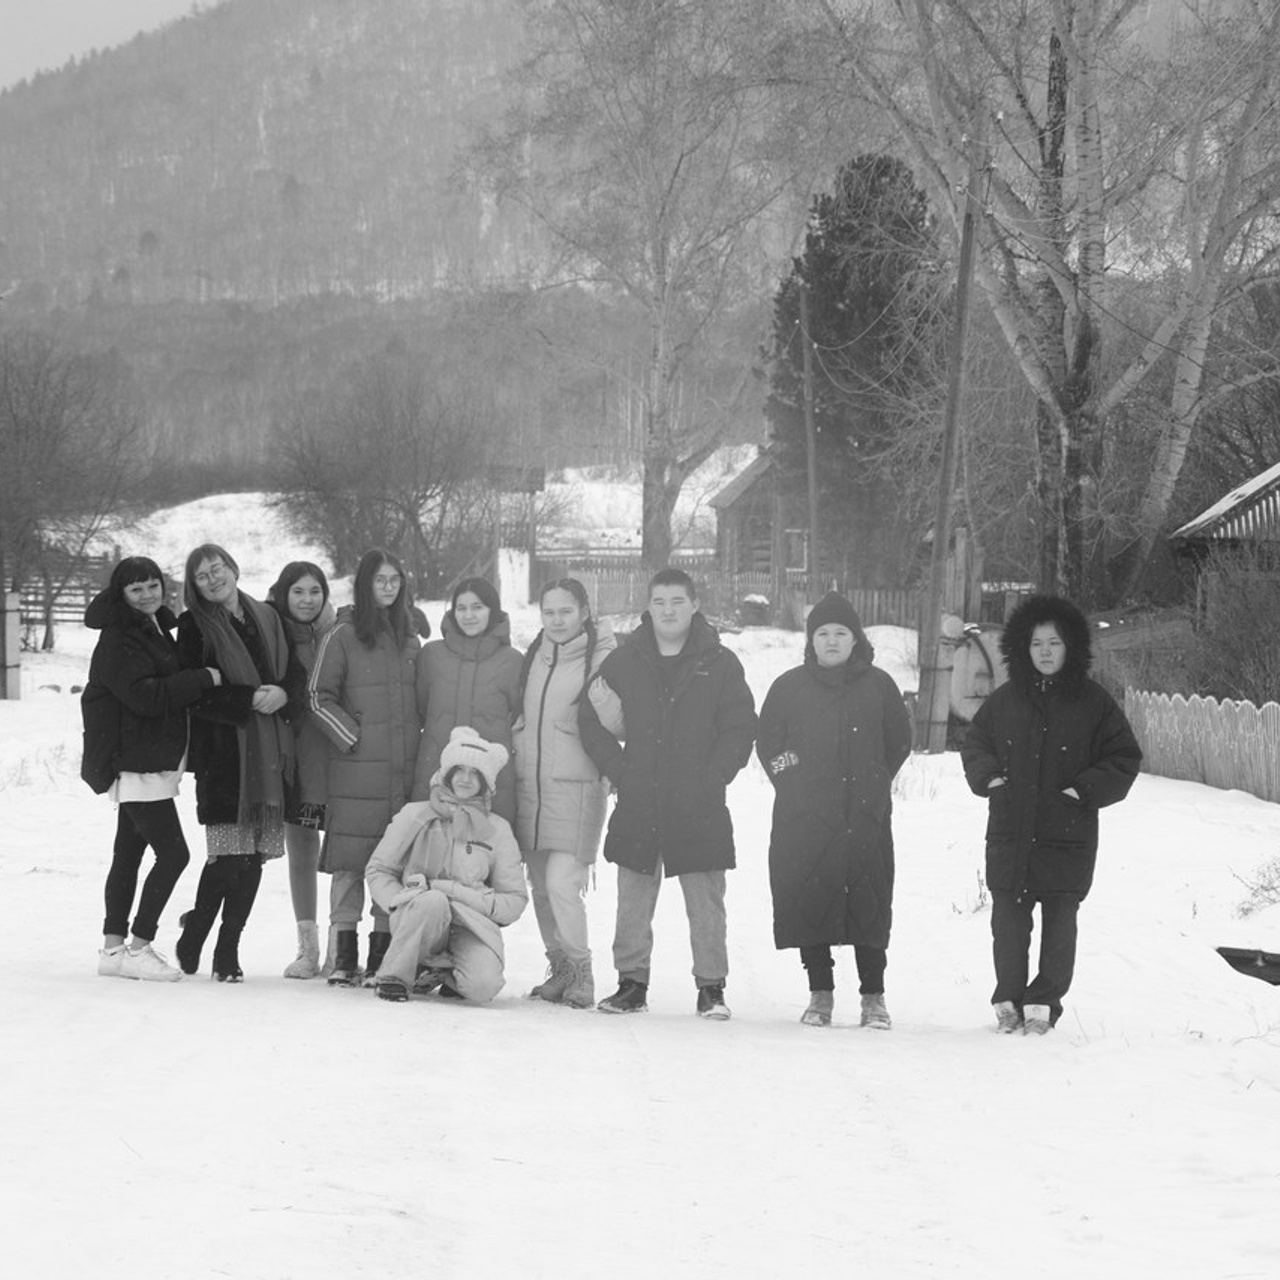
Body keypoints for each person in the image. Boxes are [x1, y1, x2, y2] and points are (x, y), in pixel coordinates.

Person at [579, 568, 757, 1019]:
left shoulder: (718, 662)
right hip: (640, 797)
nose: (668, 610)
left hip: (698, 801)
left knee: (705, 902)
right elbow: (589, 716)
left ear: (694, 605)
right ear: (649, 607)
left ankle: (711, 987)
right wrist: (618, 768)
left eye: (677, 601)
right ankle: (631, 983)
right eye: (659, 602)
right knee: (633, 899)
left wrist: (715, 775)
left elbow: (740, 726)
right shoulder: (627, 659)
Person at [961, 594, 1142, 1035]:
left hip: (1067, 833)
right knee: (1008, 922)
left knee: (1060, 922)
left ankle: (1043, 1004)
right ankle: (1009, 1000)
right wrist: (990, 781)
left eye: (1054, 643)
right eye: (1037, 643)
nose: (1045, 651)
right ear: (1023, 648)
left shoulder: (1093, 703)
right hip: (1011, 830)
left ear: (1071, 648)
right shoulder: (1005, 701)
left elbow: (1124, 756)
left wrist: (1082, 789)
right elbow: (975, 744)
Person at [755, 592, 912, 1029]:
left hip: (865, 818)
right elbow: (769, 747)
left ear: (855, 638)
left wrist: (875, 779)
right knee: (810, 899)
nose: (831, 640)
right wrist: (794, 777)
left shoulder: (879, 685)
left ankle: (873, 997)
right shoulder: (788, 687)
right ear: (811, 639)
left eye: (841, 632)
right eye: (822, 633)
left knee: (870, 900)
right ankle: (819, 995)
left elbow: (898, 742)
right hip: (803, 820)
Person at [81, 556, 223, 982]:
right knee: (174, 854)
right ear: (120, 594)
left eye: (153, 585)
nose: (147, 594)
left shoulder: (156, 626)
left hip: (148, 760)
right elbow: (144, 696)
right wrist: (203, 678)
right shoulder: (120, 637)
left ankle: (112, 950)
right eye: (136, 588)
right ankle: (140, 946)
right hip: (137, 761)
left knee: (129, 852)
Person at [175, 545, 298, 982]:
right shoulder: (193, 627)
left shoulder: (267, 616)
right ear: (195, 586)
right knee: (228, 858)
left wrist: (283, 693)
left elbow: (293, 672)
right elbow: (193, 692)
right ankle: (196, 935)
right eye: (202, 575)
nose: (213, 578)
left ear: (233, 568)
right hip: (224, 757)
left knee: (253, 860)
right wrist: (247, 700)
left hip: (268, 759)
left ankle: (227, 948)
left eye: (218, 568)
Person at [310, 548, 421, 987]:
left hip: (401, 769)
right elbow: (319, 696)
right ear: (365, 584)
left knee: (389, 860)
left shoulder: (411, 639)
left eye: (395, 579)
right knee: (350, 862)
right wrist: (351, 736)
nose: (389, 587)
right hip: (355, 770)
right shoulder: (342, 635)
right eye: (381, 579)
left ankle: (380, 952)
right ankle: (343, 954)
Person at [366, 727, 528, 1003]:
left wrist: (466, 897)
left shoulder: (497, 829)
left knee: (484, 986)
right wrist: (399, 901)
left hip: (471, 924)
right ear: (447, 773)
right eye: (459, 770)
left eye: (474, 773)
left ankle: (442, 972)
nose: (465, 779)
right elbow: (378, 869)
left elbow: (514, 899)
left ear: (485, 782)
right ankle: (395, 976)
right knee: (433, 902)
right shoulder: (414, 815)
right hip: (420, 917)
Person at [512, 578, 616, 1008]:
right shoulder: (533, 656)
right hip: (530, 787)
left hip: (577, 789)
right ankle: (560, 970)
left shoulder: (603, 658)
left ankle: (582, 970)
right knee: (539, 885)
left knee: (561, 884)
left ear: (584, 612)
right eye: (549, 613)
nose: (557, 621)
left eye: (565, 612)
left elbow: (617, 721)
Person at [267, 560, 337, 979]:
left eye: (315, 591)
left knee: (349, 854)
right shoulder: (270, 633)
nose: (307, 600)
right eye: (299, 592)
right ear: (284, 594)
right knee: (302, 852)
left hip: (338, 753)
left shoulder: (339, 633)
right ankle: (307, 948)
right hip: (293, 755)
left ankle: (342, 943)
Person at [411, 576, 522, 822]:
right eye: (461, 608)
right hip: (435, 776)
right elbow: (419, 709)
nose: (468, 615)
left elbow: (519, 720)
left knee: (482, 854)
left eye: (477, 607)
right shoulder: (431, 656)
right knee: (429, 853)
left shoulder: (512, 661)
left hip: (490, 784)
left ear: (492, 611)